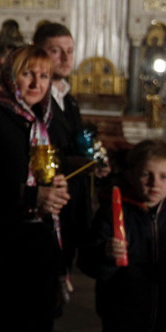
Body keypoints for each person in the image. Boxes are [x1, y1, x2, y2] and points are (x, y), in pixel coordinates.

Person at [0, 45, 70, 332]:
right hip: (1, 247)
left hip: (40, 243)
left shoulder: (46, 119)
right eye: (28, 74)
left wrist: (58, 183)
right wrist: (32, 195)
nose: (37, 84)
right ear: (11, 76)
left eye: (44, 76)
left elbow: (55, 164)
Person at [79, 140, 166, 332]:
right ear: (130, 175)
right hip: (123, 319)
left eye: (163, 176)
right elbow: (87, 261)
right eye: (146, 175)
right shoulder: (112, 214)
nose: (155, 183)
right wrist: (106, 254)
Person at [34, 22, 110, 286]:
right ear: (39, 52)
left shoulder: (68, 97)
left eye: (70, 50)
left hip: (73, 200)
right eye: (56, 51)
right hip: (49, 201)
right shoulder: (36, 98)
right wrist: (77, 162)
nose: (65, 58)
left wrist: (95, 160)